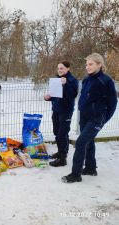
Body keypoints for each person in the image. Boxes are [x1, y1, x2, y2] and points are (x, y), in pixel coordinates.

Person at [62, 53, 118, 183]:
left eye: (91, 64)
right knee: (89, 142)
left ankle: (75, 174)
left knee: (81, 142)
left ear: (99, 64)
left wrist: (103, 119)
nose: (87, 67)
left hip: (97, 118)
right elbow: (83, 97)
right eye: (87, 64)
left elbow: (113, 104)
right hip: (85, 117)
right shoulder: (87, 79)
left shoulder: (106, 81)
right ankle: (90, 168)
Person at [44, 61, 78, 167]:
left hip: (66, 111)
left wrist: (66, 84)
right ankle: (60, 152)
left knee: (62, 134)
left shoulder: (72, 80)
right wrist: (48, 97)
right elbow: (56, 95)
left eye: (62, 68)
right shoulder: (56, 79)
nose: (59, 70)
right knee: (56, 132)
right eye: (58, 68)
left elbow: (72, 95)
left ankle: (63, 158)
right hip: (56, 110)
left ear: (68, 68)